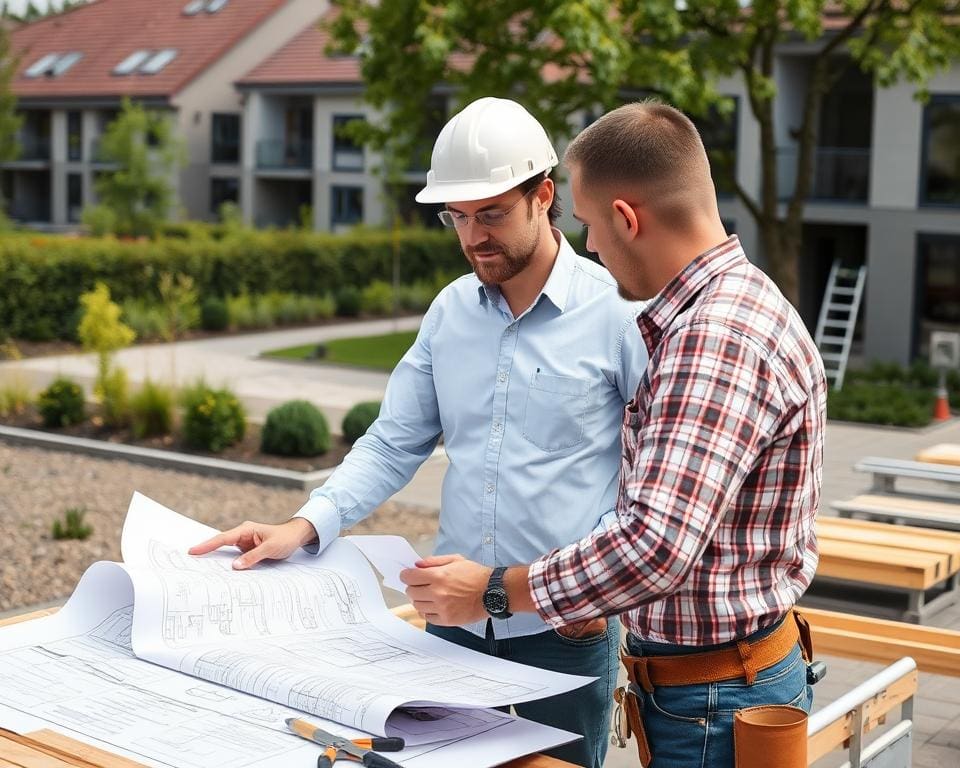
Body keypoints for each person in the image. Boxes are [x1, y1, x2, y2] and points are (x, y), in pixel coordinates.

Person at [190, 97, 648, 768]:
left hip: (565, 629)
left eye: (490, 213)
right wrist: (305, 524)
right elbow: (392, 441)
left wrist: (602, 593)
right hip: (453, 623)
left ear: (544, 196)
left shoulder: (617, 314)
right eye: (456, 218)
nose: (472, 238)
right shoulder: (449, 312)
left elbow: (652, 475)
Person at [400, 101, 827, 768]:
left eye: (594, 226)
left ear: (627, 219)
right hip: (716, 686)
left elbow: (655, 546)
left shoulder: (712, 340)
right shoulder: (738, 308)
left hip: (714, 699)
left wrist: (493, 589)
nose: (591, 246)